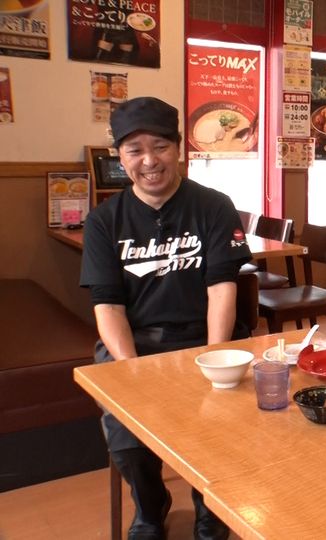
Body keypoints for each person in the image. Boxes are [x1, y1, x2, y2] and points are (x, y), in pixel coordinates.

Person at [80, 97, 252, 540]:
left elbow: (221, 287)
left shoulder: (214, 206)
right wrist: (131, 369)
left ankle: (211, 508)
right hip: (135, 345)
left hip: (203, 339)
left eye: (160, 146)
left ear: (179, 148)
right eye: (134, 150)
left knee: (217, 425)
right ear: (120, 156)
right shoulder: (104, 221)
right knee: (126, 435)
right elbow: (108, 305)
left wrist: (215, 357)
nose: (149, 160)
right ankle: (150, 507)